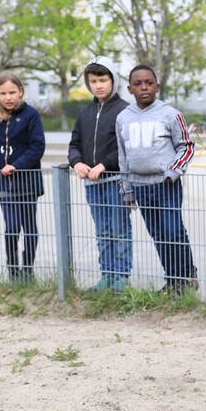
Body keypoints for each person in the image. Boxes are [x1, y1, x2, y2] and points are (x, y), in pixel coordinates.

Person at [115, 64, 198, 294]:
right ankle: (173, 281)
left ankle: (187, 278)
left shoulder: (171, 114)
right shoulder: (123, 118)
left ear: (157, 87)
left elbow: (187, 147)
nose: (144, 87)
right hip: (140, 187)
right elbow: (123, 157)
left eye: (149, 83)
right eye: (138, 84)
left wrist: (173, 172)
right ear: (130, 89)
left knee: (173, 232)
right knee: (159, 236)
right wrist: (127, 190)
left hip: (166, 185)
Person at [68, 56, 132, 291]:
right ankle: (107, 275)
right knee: (103, 230)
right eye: (93, 81)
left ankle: (122, 277)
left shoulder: (125, 111)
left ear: (113, 79)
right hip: (92, 185)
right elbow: (74, 143)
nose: (98, 85)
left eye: (103, 79)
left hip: (115, 181)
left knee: (119, 229)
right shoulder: (85, 112)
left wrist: (104, 164)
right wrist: (77, 163)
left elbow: (126, 147)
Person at [0, 71, 46, 283]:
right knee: (12, 227)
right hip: (4, 183)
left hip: (28, 183)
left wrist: (15, 165)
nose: (8, 97)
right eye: (3, 93)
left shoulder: (31, 115)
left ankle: (28, 270)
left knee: (30, 227)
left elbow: (37, 147)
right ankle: (13, 271)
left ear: (21, 91)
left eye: (12, 92)